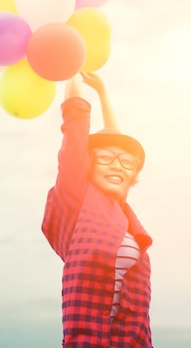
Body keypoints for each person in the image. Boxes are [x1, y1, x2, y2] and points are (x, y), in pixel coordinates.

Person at [42, 71, 153, 347]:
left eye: (128, 163)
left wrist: (103, 93)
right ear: (89, 164)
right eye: (104, 158)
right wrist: (69, 68)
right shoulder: (76, 204)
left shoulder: (124, 217)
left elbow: (117, 146)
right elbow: (76, 130)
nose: (117, 165)